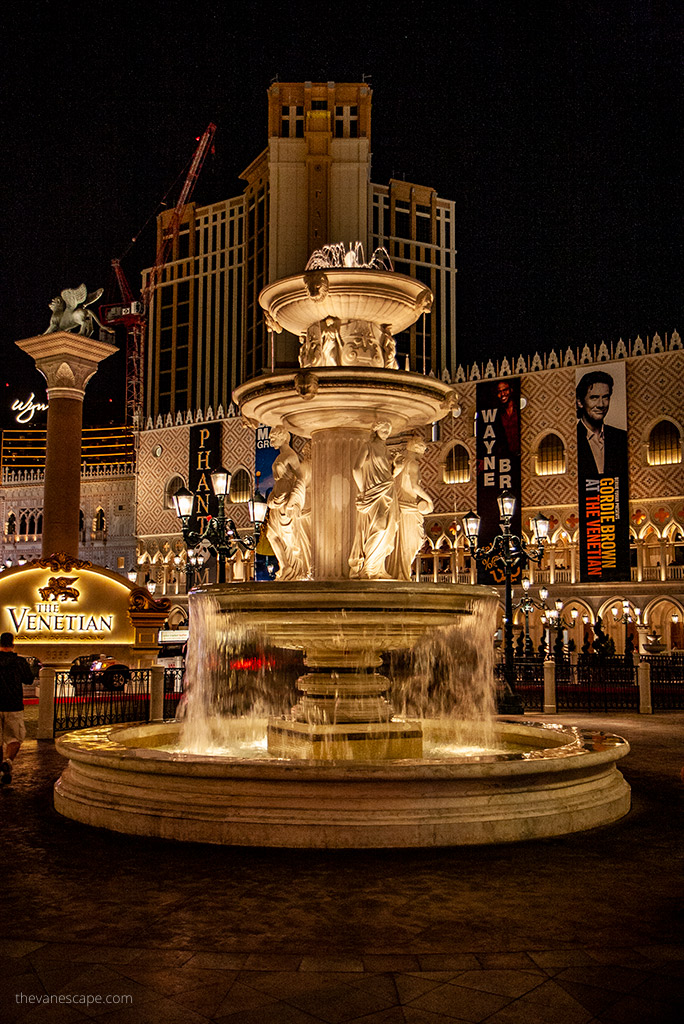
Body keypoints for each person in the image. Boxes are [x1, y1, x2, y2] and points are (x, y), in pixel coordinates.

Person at [349, 420, 400, 579]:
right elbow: (356, 468)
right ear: (376, 429)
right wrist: (363, 489)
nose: (387, 431)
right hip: (373, 493)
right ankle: (368, 567)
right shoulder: (367, 446)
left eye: (389, 429)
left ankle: (378, 568)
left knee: (388, 529)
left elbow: (389, 475)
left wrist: (398, 467)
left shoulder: (386, 450)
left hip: (388, 490)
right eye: (384, 428)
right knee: (379, 527)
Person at [265, 426, 310, 580]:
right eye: (270, 437)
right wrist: (272, 496)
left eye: (273, 437)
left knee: (289, 539)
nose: (270, 439)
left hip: (286, 502)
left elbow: (301, 478)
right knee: (271, 534)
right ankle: (285, 566)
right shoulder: (281, 456)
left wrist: (293, 501)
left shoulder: (290, 456)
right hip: (277, 499)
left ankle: (294, 568)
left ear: (284, 437)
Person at [387, 435, 434, 580]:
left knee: (403, 543)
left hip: (399, 507)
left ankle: (399, 572)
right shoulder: (413, 464)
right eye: (422, 449)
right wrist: (429, 500)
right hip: (408, 508)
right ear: (417, 449)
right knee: (410, 544)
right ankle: (403, 573)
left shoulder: (400, 463)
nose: (423, 454)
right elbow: (414, 486)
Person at [576, 370, 628, 478]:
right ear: (580, 402)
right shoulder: (572, 438)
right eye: (594, 398)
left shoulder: (621, 438)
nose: (601, 404)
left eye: (605, 397)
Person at [0, 632, 34, 785]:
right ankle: (8, 761)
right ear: (12, 644)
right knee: (14, 738)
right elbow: (29, 679)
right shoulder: (19, 662)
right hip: (14, 705)